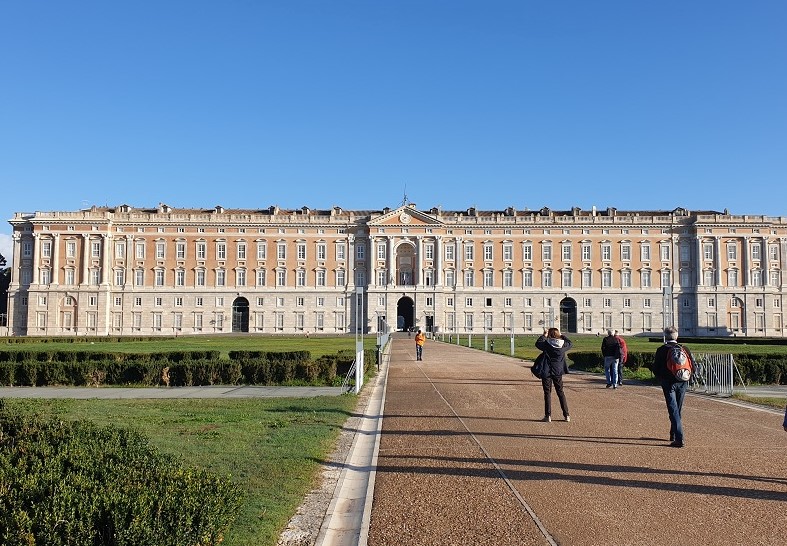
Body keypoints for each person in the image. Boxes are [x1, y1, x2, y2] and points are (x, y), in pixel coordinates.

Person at [652, 326, 696, 448]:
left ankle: (679, 438)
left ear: (666, 336)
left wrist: (661, 378)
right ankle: (673, 434)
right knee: (678, 409)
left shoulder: (661, 350)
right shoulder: (684, 348)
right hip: (682, 382)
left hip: (668, 383)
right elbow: (693, 366)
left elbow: (656, 368)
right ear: (677, 336)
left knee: (673, 409)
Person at [535, 327, 573, 422]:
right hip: (558, 371)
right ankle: (566, 415)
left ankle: (548, 416)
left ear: (549, 335)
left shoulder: (546, 344)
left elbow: (538, 343)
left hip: (547, 370)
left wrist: (544, 335)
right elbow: (570, 343)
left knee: (547, 393)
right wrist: (561, 335)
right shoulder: (563, 345)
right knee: (560, 392)